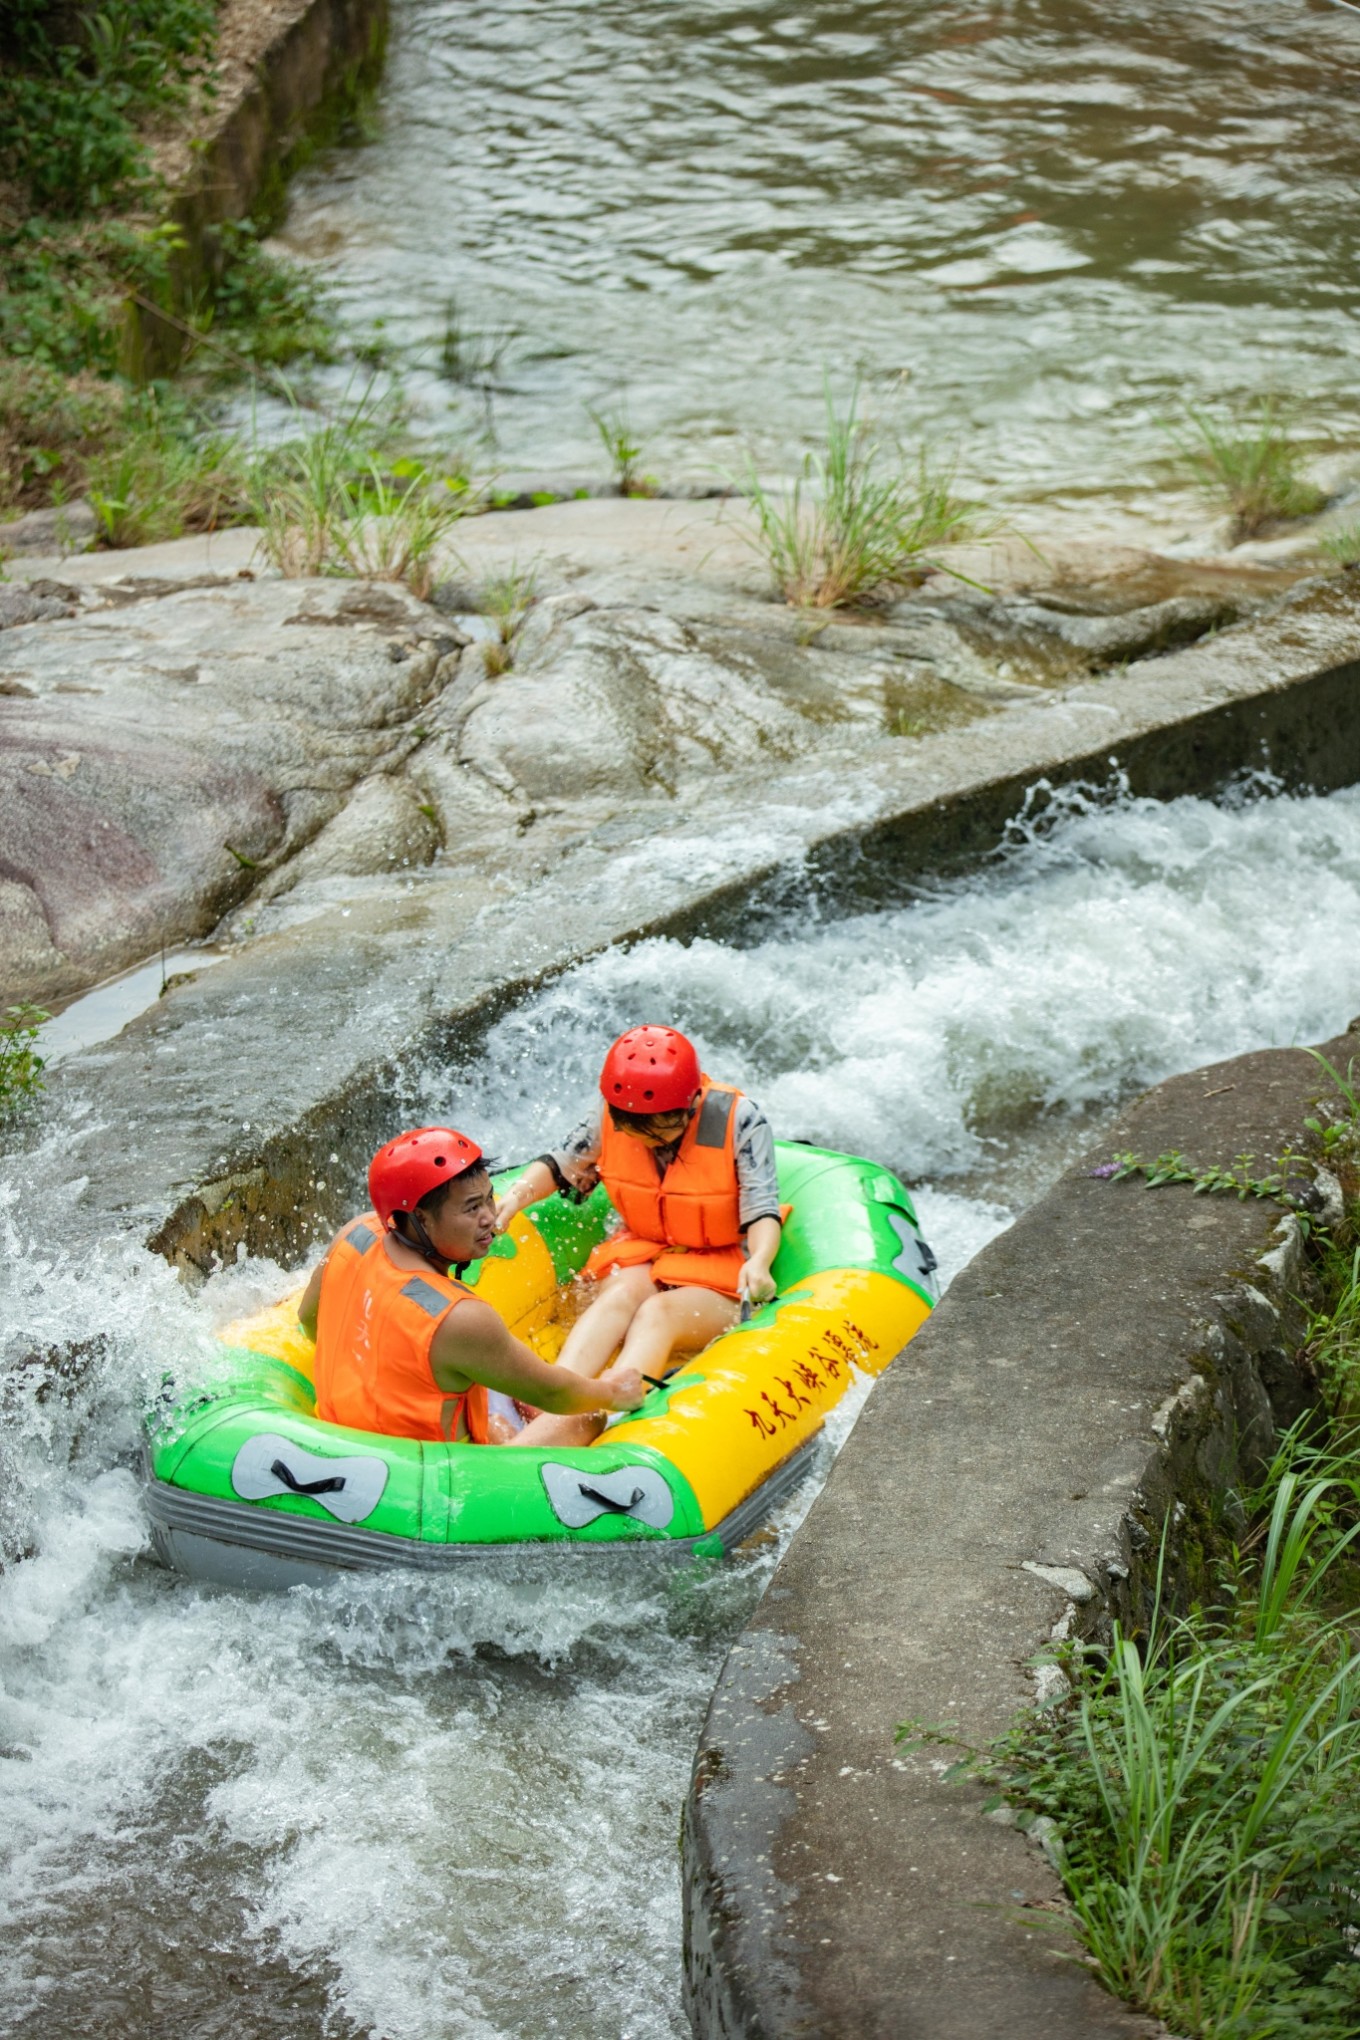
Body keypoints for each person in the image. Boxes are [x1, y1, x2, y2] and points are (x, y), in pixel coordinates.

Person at [297, 1126, 645, 1447]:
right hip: (432, 1470)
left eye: (489, 1199)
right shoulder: (460, 1318)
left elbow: (311, 1321)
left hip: (340, 1433)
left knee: (485, 1387)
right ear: (420, 1218)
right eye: (471, 1208)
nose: (490, 1217)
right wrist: (614, 1391)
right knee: (585, 1417)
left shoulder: (354, 1235)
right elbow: (554, 1394)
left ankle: (495, 1425)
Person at [494, 1026, 783, 1384]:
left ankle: (613, 1406)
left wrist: (760, 1261)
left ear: (691, 1105)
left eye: (659, 1133)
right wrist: (515, 1198)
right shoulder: (612, 1112)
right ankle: (556, 1391)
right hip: (648, 1250)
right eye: (636, 1134)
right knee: (620, 1294)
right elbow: (562, 1163)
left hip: (722, 1265)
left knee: (659, 1312)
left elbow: (762, 1206)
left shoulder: (738, 1119)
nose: (648, 1143)